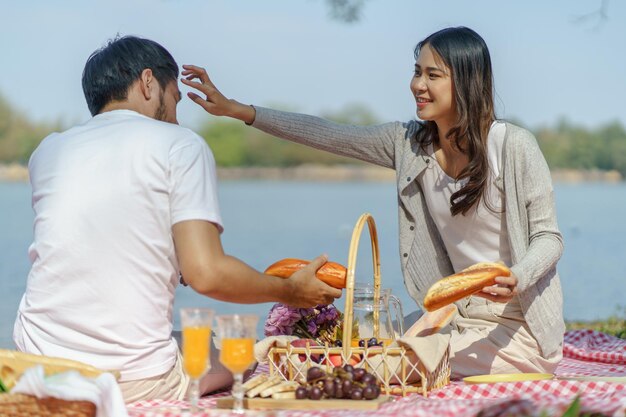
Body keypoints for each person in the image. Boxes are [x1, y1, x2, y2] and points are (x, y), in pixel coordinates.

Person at [182, 26, 565, 378]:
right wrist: (239, 110)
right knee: (362, 344)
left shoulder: (512, 146)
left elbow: (548, 237)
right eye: (417, 72)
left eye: (433, 75)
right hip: (455, 316)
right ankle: (251, 354)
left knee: (385, 363)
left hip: (515, 327)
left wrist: (518, 277)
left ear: (467, 81)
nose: (418, 84)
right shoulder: (411, 145)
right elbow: (330, 134)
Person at [13, 35, 342, 402]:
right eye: (175, 99)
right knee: (251, 354)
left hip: (35, 366)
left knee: (193, 341)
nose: (175, 115)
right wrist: (289, 292)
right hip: (132, 379)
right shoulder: (180, 145)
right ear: (148, 82)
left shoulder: (50, 150)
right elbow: (208, 274)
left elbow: (88, 242)